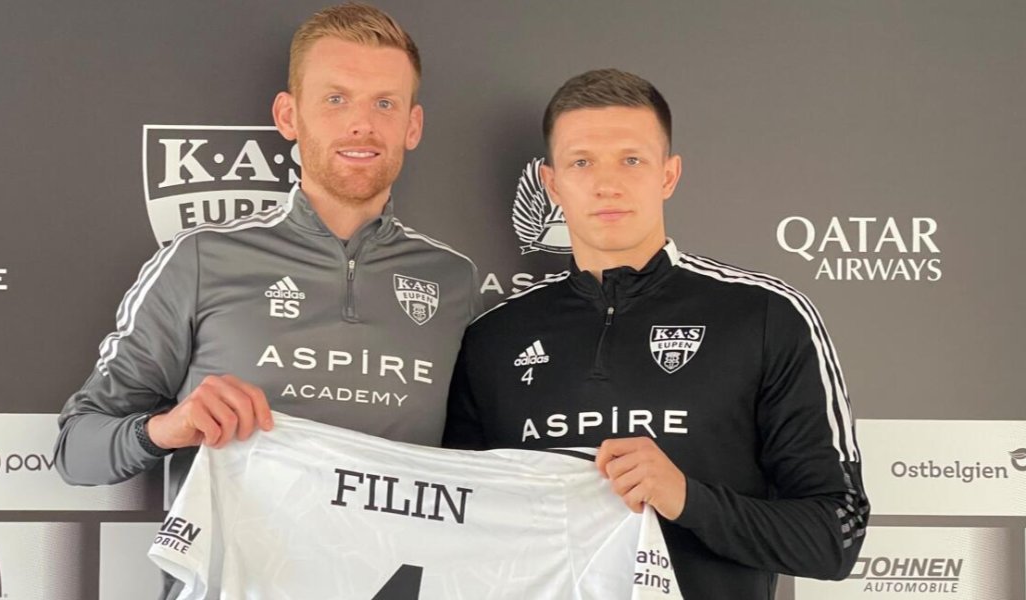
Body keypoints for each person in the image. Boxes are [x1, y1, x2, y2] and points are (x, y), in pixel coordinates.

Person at [55, 4, 481, 598]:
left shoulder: (453, 280)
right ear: (288, 115)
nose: (361, 124)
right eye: (336, 99)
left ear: (412, 126)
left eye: (384, 103)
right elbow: (76, 451)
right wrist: (171, 428)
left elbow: (482, 473)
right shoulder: (203, 259)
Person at [443, 69, 868, 599]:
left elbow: (835, 537)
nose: (607, 184)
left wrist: (686, 498)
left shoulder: (766, 316)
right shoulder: (494, 337)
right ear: (552, 184)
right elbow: (457, 533)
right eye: (581, 162)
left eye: (632, 160)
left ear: (668, 175)